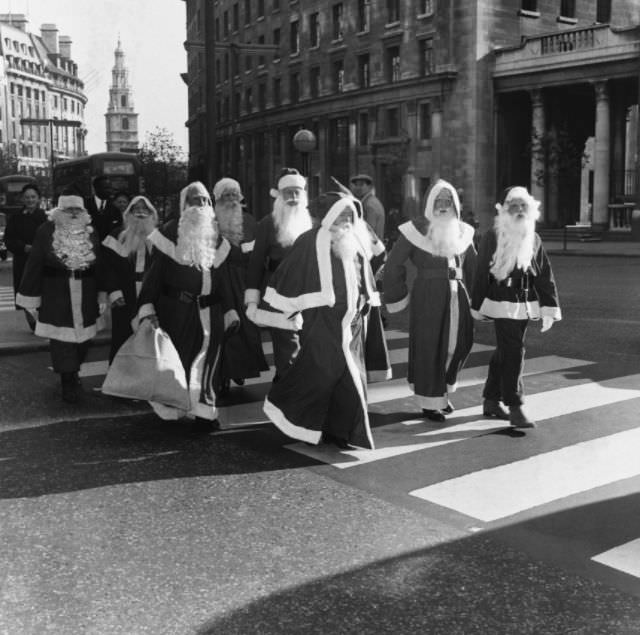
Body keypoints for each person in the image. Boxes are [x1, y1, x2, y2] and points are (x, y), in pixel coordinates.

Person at [262, 191, 390, 450]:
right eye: (340, 213)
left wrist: (366, 305)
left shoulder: (356, 241)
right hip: (321, 322)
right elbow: (288, 275)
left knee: (350, 378)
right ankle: (299, 422)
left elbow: (366, 276)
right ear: (329, 215)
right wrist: (285, 312)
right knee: (319, 375)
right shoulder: (309, 241)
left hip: (352, 325)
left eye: (349, 214)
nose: (345, 219)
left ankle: (341, 432)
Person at [135, 181, 238, 431]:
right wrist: (147, 309)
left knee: (208, 364)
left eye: (204, 201)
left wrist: (230, 310)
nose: (199, 206)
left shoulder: (218, 240)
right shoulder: (165, 236)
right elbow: (152, 278)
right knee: (178, 362)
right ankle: (173, 409)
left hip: (210, 313)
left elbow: (224, 280)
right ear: (184, 205)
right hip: (176, 312)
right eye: (194, 200)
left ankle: (204, 414)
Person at [383, 179, 477, 421]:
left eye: (448, 200)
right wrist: (398, 294)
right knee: (430, 346)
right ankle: (430, 401)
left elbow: (474, 267)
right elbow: (393, 264)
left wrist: (482, 298)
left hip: (458, 294)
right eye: (438, 200)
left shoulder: (463, 231)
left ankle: (442, 392)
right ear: (429, 204)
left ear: (455, 204)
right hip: (428, 294)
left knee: (457, 344)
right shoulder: (414, 229)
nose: (443, 205)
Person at [471, 185, 562, 428]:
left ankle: (491, 399)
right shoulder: (493, 235)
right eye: (514, 206)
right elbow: (481, 272)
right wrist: (476, 304)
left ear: (530, 209)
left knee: (505, 350)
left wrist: (549, 306)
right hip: (500, 299)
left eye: (523, 205)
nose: (519, 210)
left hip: (524, 300)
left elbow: (543, 273)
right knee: (514, 351)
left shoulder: (534, 236)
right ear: (505, 209)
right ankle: (515, 405)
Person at [16, 193, 103, 403]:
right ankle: (67, 380)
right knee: (62, 339)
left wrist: (103, 293)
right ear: (59, 211)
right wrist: (30, 296)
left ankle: (74, 372)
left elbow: (100, 264)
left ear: (83, 212)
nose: (73, 213)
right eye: (68, 209)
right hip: (56, 292)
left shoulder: (90, 232)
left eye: (77, 210)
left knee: (83, 340)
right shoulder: (46, 231)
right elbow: (35, 262)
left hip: (86, 292)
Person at [245, 168, 313, 379]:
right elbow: (256, 264)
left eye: (296, 192)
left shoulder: (314, 222)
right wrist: (252, 299)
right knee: (286, 344)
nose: (293, 198)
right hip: (279, 292)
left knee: (309, 344)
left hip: (310, 292)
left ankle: (297, 383)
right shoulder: (267, 223)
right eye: (288, 193)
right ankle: (287, 385)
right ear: (279, 195)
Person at [212, 177, 268, 394]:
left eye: (234, 194)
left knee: (244, 326)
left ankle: (240, 369)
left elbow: (253, 253)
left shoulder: (249, 220)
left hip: (242, 280)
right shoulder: (210, 221)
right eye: (226, 195)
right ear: (218, 198)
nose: (231, 199)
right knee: (221, 325)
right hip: (217, 279)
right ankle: (222, 372)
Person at [101, 195, 159, 363]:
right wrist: (113, 292)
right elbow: (107, 267)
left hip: (150, 297)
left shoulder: (159, 239)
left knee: (150, 339)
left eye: (144, 209)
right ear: (128, 213)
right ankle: (119, 379)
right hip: (124, 296)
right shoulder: (116, 237)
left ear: (152, 214)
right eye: (136, 209)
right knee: (122, 338)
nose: (140, 213)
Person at [4, 183, 48, 331]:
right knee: (25, 293)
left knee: (43, 292)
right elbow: (8, 240)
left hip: (42, 262)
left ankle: (43, 321)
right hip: (23, 261)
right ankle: (32, 323)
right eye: (27, 197)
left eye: (33, 197)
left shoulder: (46, 218)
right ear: (22, 199)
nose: (30, 200)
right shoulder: (15, 218)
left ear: (39, 199)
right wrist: (23, 247)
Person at [84, 175, 123, 241]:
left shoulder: (115, 210)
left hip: (108, 248)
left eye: (110, 188)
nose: (109, 191)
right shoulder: (84, 205)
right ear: (96, 188)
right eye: (106, 188)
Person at [349, 173, 385, 241]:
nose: (358, 188)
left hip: (371, 248)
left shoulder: (369, 205)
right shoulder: (367, 201)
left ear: (369, 187)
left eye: (361, 185)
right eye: (356, 185)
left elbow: (369, 231)